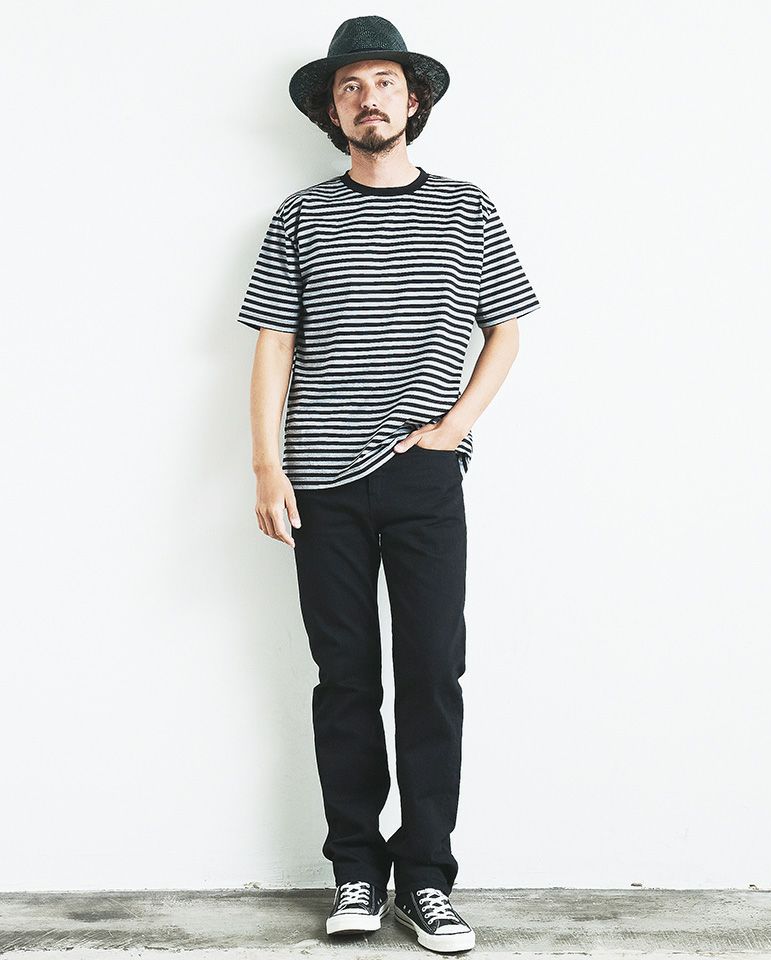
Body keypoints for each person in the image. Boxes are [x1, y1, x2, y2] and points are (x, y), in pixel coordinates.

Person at [237, 15, 541, 954]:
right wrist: (267, 466)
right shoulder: (299, 215)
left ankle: (428, 881)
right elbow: (274, 344)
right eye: (349, 87)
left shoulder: (467, 209)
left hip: (424, 479)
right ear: (332, 113)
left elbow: (507, 329)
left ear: (414, 100)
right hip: (320, 483)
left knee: (433, 676)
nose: (367, 99)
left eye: (382, 82)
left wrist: (452, 430)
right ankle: (358, 874)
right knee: (344, 681)